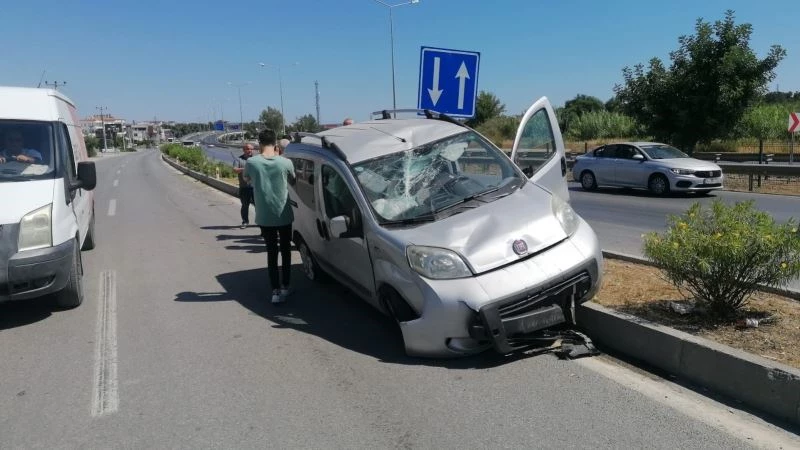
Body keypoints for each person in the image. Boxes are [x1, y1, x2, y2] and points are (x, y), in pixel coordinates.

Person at [244, 129, 296, 304]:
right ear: (275, 144)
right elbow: (294, 181)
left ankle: (275, 291)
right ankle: (286, 286)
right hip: (284, 213)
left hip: (265, 215)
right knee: (286, 251)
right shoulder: (285, 162)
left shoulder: (251, 162)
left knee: (271, 252)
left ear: (259, 143)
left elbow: (247, 179)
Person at [233, 143, 254, 228]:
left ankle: (261, 223)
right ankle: (245, 222)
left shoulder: (256, 159)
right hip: (244, 187)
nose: (250, 151)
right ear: (244, 150)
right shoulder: (238, 159)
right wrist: (245, 169)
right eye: (248, 149)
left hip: (256, 188)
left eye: (251, 149)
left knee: (259, 207)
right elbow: (235, 170)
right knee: (245, 206)